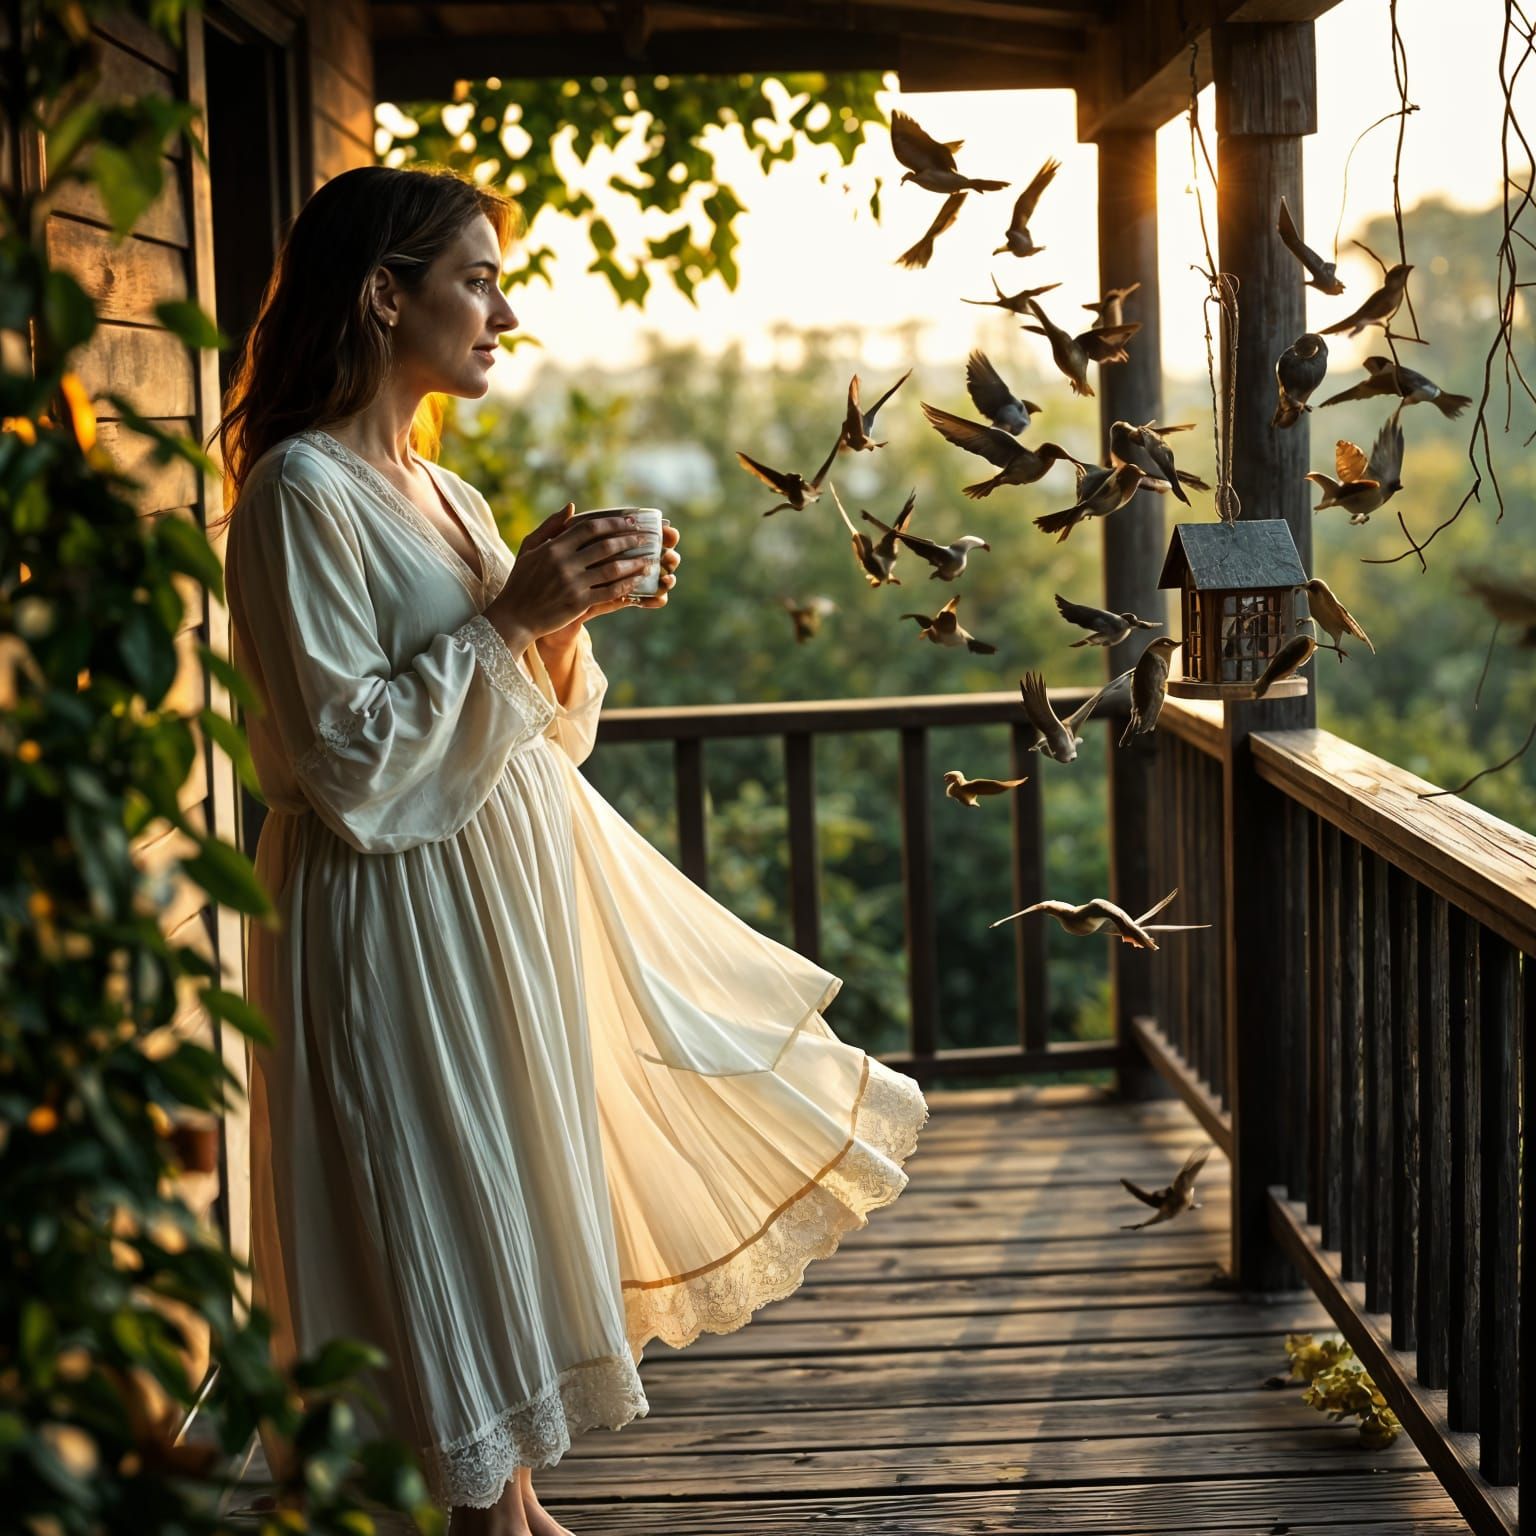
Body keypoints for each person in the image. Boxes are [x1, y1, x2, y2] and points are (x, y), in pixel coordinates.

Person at [219, 164, 929, 1535]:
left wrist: (559, 614)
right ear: (383, 296)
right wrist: (505, 624)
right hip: (392, 908)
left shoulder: (448, 493)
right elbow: (342, 758)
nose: (500, 309)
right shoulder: (298, 494)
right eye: (473, 279)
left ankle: (516, 1503)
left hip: (500, 906)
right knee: (432, 1187)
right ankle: (483, 1517)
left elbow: (548, 732)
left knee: (511, 1186)